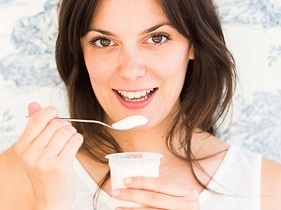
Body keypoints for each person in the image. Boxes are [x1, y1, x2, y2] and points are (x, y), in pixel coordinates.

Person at [0, 0, 281, 209]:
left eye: (157, 38)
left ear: (194, 44)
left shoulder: (268, 188)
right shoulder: (19, 173)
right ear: (80, 53)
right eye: (103, 41)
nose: (131, 71)